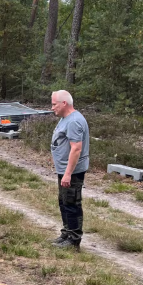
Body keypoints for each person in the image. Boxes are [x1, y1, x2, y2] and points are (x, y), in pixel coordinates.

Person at [50, 90, 89, 249]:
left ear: (64, 103)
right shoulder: (65, 118)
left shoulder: (74, 121)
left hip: (72, 172)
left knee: (72, 203)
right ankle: (66, 232)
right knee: (64, 201)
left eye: (54, 104)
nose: (52, 107)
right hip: (64, 170)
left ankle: (73, 240)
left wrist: (68, 174)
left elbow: (76, 149)